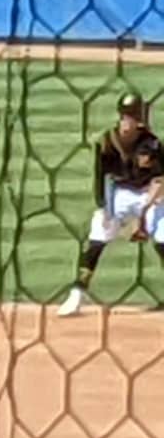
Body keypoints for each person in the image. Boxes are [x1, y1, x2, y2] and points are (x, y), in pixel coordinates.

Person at [65, 95, 164, 313]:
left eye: (136, 116)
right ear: (121, 116)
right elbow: (101, 177)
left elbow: (160, 181)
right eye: (128, 116)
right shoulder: (107, 141)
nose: (132, 121)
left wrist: (142, 219)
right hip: (119, 193)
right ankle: (77, 294)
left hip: (149, 194)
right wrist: (104, 207)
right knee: (98, 234)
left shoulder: (152, 143)